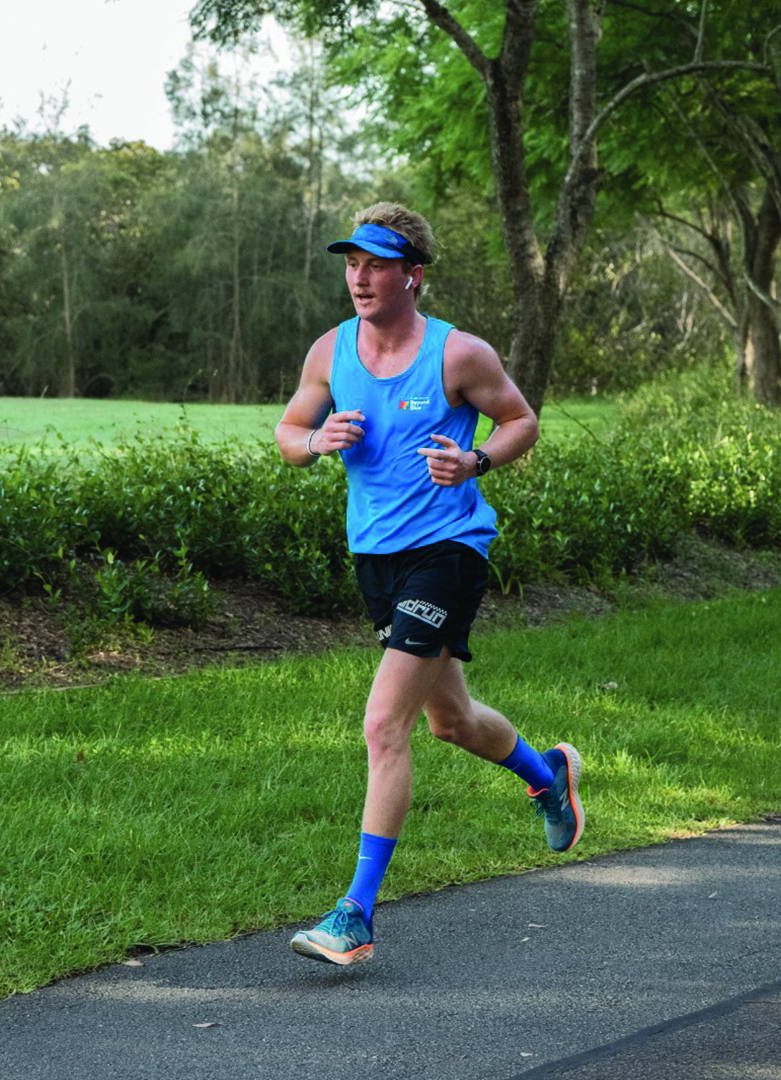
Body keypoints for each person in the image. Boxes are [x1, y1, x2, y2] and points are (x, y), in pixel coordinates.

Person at [275, 203, 584, 966]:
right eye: (352, 263)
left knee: (386, 723)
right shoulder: (331, 350)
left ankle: (356, 915)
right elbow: (286, 434)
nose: (359, 277)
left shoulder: (458, 355)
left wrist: (475, 461)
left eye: (376, 264)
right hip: (375, 558)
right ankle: (549, 778)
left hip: (447, 549)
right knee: (449, 721)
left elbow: (521, 420)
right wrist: (316, 441)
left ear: (411, 275)